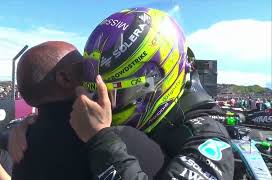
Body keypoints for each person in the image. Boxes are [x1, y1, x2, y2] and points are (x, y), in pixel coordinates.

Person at [70, 7, 234, 179]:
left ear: (156, 81)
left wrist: (101, 140)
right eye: (95, 93)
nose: (105, 105)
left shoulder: (206, 136)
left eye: (117, 93)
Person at [9, 41, 164, 180]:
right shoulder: (123, 141)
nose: (95, 71)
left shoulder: (19, 147)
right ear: (65, 78)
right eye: (84, 67)